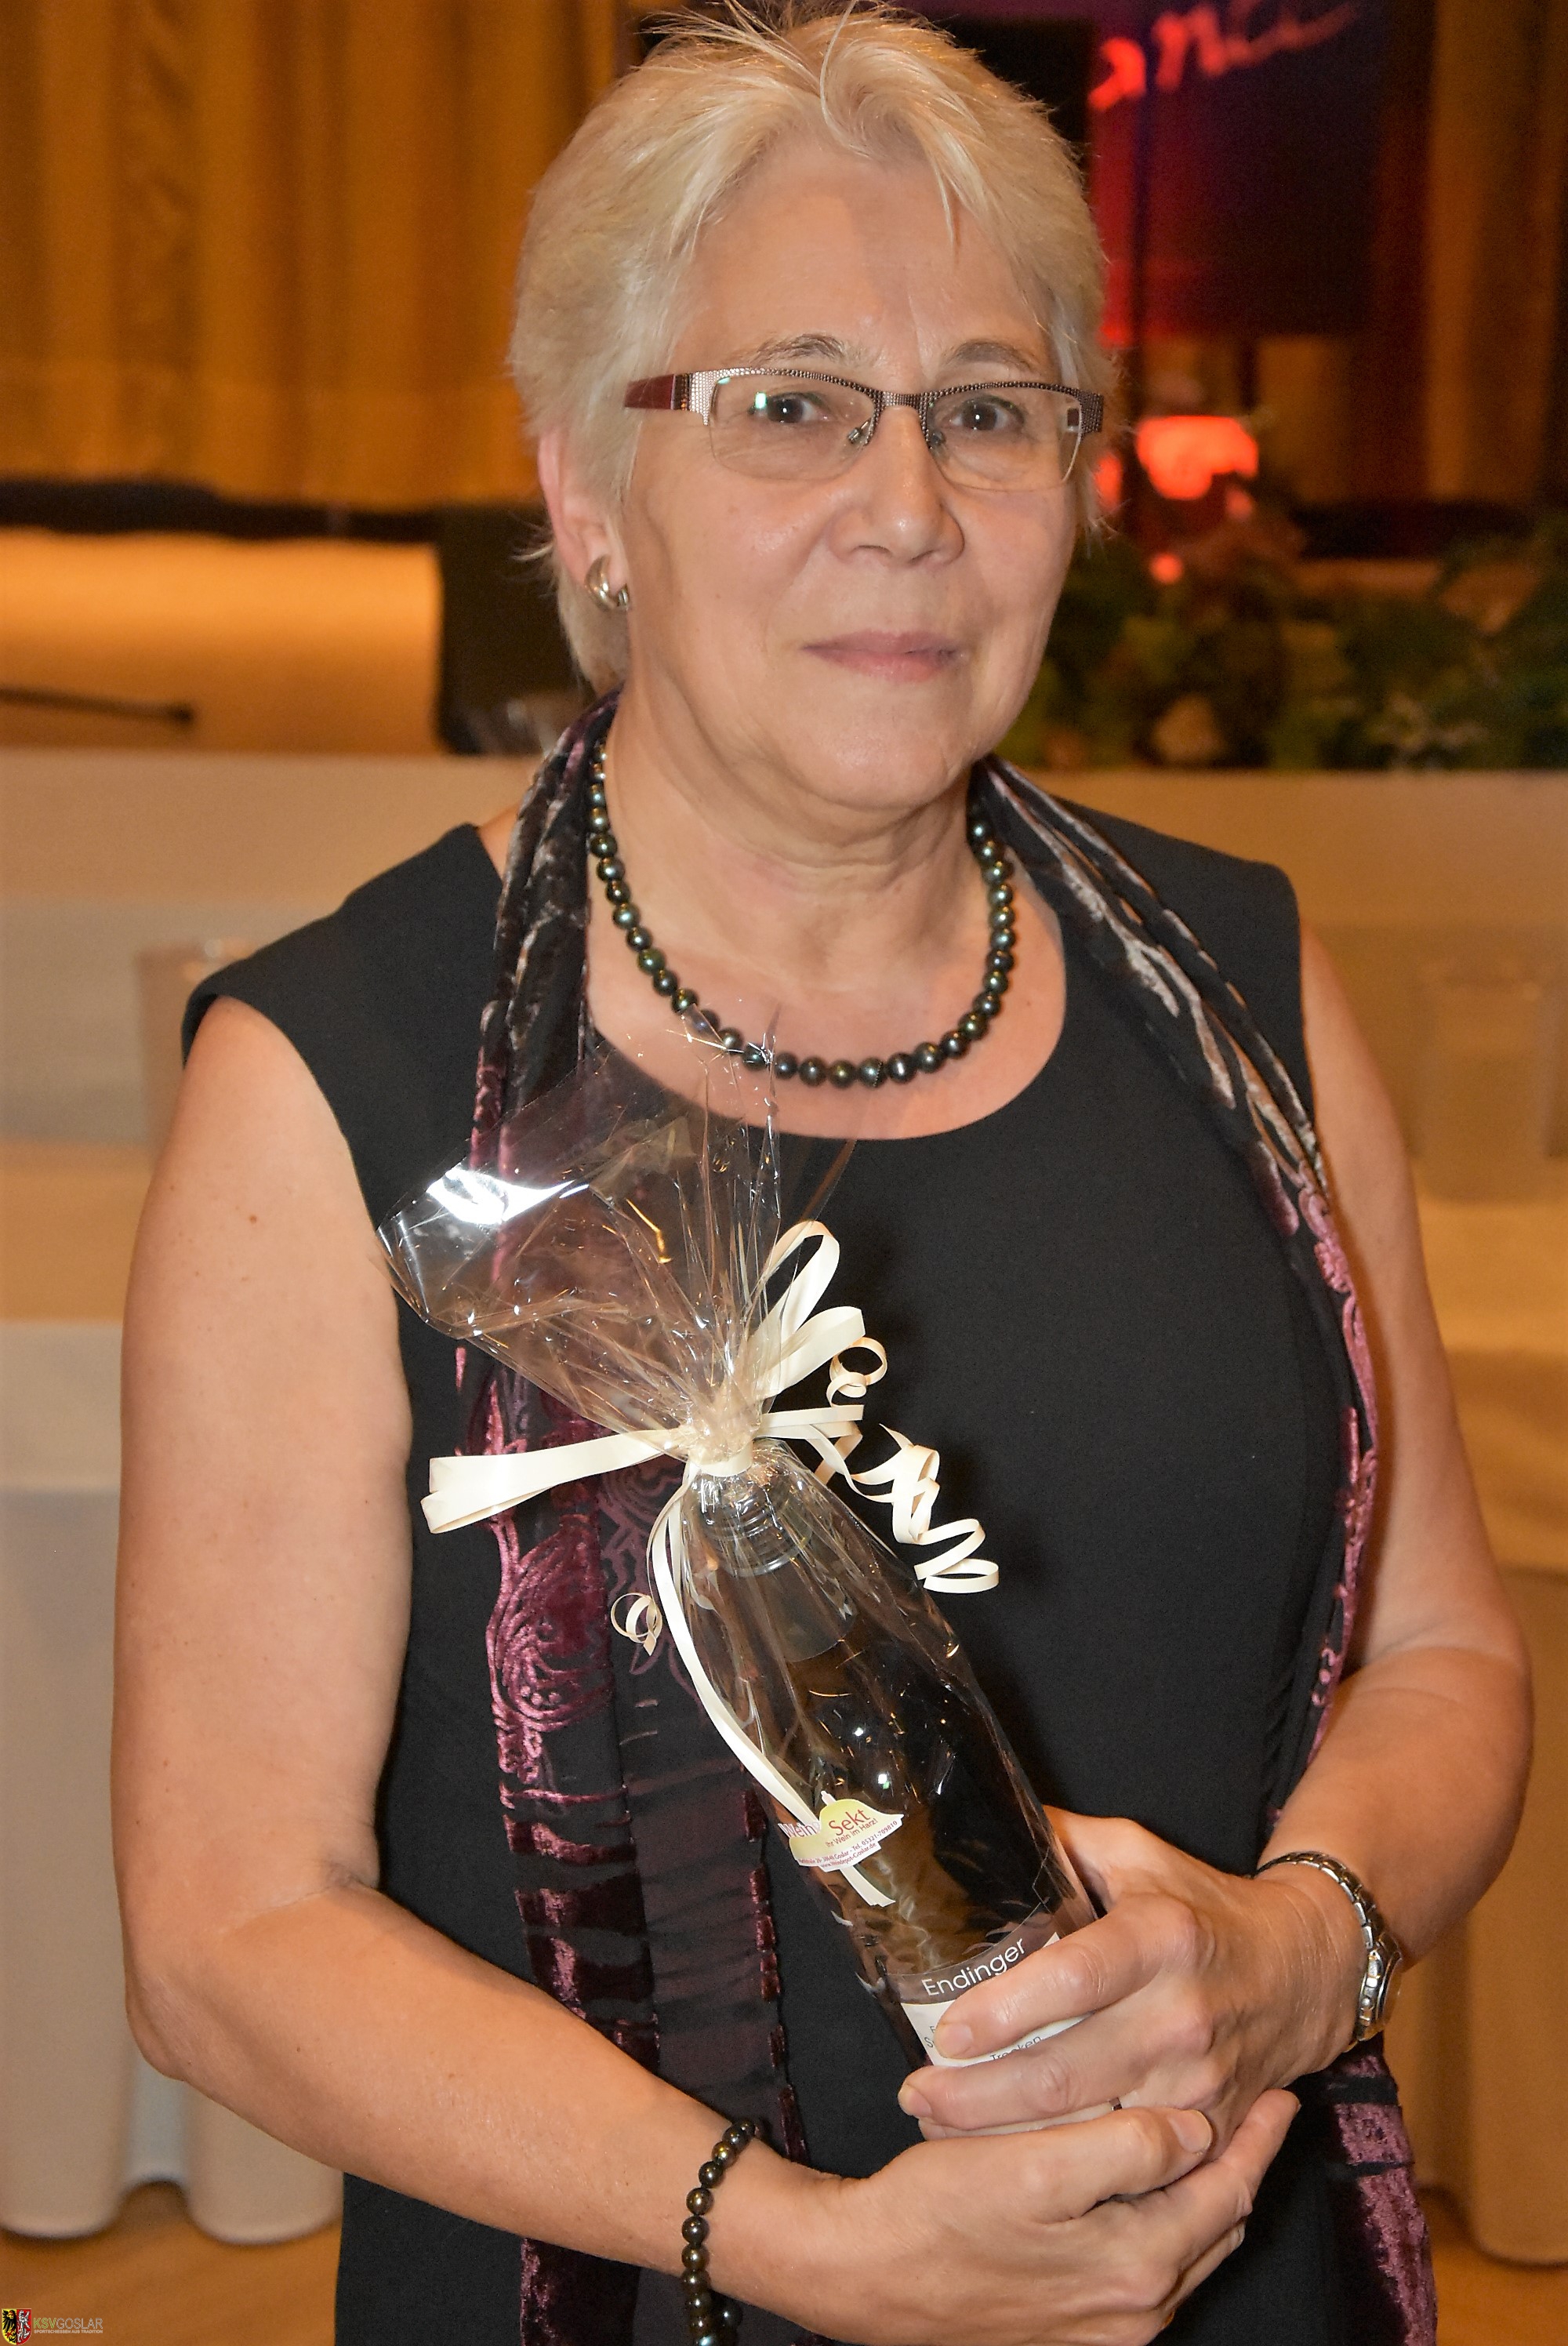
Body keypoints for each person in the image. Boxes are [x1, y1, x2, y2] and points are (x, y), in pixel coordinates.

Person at [114, 9, 1530, 2344]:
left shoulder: (1255, 998)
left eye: (989, 410)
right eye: (791, 405)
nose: (911, 505)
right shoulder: (341, 1077)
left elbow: (1447, 1657)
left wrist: (1294, 1953)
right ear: (587, 487)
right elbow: (228, 1934)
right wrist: (810, 2252)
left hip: (1233, 2274)